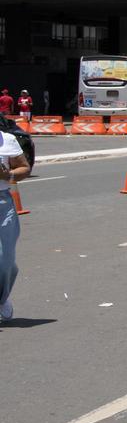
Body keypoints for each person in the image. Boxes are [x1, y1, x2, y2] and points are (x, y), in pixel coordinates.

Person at [0, 124, 32, 322]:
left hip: (2, 203)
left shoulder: (7, 141)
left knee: (6, 260)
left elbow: (25, 168)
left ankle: (2, 299)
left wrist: (8, 175)